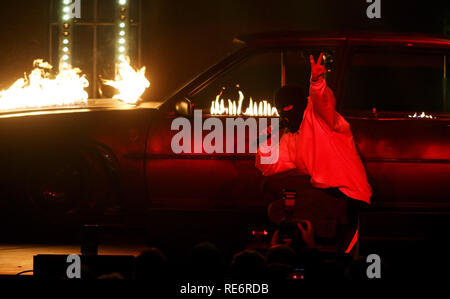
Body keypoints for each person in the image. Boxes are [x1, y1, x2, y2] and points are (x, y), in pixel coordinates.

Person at [256, 53, 372, 250]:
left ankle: (324, 237)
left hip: (349, 196)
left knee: (286, 210)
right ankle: (304, 242)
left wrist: (317, 81)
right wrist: (264, 143)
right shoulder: (290, 136)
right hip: (325, 196)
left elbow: (323, 101)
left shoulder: (322, 119)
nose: (286, 114)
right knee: (275, 205)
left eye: (290, 108)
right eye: (281, 111)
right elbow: (270, 169)